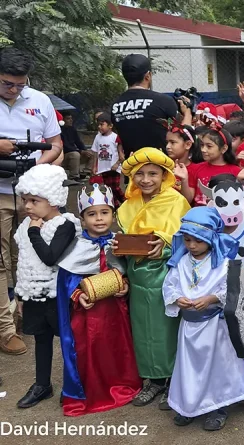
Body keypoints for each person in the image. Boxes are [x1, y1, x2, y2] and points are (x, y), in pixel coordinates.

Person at [113, 148, 191, 409]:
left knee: (167, 329)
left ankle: (174, 380)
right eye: (140, 175)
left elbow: (189, 239)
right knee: (143, 329)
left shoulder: (177, 201)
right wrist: (117, 249)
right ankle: (154, 380)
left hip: (167, 274)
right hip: (136, 275)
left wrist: (166, 244)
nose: (146, 180)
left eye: (153, 174)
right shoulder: (127, 206)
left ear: (165, 176)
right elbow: (124, 237)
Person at [164, 207, 244, 430]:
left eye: (197, 241)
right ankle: (188, 406)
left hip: (214, 326)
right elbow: (170, 285)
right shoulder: (182, 262)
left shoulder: (222, 264)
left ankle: (218, 407)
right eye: (187, 240)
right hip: (189, 326)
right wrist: (178, 299)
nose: (191, 245)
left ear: (211, 239)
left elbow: (232, 289)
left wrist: (212, 298)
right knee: (189, 367)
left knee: (216, 367)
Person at [0, 47, 64, 355]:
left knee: (27, 254)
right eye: (6, 84)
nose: (13, 90)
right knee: (0, 260)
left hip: (33, 193)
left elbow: (55, 144)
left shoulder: (40, 101)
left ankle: (23, 313)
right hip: (0, 192)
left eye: (19, 84)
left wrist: (41, 164)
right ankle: (5, 329)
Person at [57, 184, 141, 416]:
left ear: (113, 215)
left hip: (116, 310)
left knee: (117, 348)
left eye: (104, 213)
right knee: (90, 351)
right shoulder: (76, 247)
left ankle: (122, 384)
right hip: (89, 315)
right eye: (92, 214)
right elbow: (68, 280)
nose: (99, 219)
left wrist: (125, 286)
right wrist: (79, 295)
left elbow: (130, 272)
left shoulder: (120, 242)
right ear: (83, 219)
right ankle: (92, 391)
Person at [13, 165, 81, 408]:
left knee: (67, 340)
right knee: (41, 340)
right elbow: (24, 262)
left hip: (57, 294)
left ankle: (73, 385)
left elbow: (50, 257)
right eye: (24, 200)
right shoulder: (26, 225)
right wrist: (20, 295)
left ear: (52, 200)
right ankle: (42, 384)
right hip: (34, 294)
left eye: (34, 200)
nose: (27, 206)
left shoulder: (65, 224)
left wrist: (34, 232)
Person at [111, 54, 188, 155]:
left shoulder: (115, 106)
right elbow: (182, 132)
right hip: (161, 165)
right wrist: (188, 113)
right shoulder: (163, 101)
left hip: (133, 165)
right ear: (148, 76)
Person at [175, 124, 241, 206]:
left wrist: (240, 179)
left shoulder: (236, 171)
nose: (203, 150)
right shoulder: (196, 168)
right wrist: (184, 180)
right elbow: (188, 200)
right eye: (202, 145)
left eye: (209, 146)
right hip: (199, 215)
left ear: (224, 149)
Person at [89, 112, 126, 206]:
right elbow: (95, 152)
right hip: (103, 168)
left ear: (110, 126)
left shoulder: (115, 137)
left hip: (113, 167)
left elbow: (121, 153)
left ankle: (126, 202)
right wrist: (94, 166)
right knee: (108, 189)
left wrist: (117, 164)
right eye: (98, 124)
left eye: (102, 124)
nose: (99, 127)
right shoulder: (97, 137)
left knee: (115, 188)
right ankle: (115, 206)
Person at [59, 112, 87, 180]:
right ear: (63, 120)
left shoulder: (72, 129)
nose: (71, 120)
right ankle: (74, 177)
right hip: (64, 155)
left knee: (91, 153)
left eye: (71, 118)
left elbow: (78, 142)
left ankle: (85, 173)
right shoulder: (59, 130)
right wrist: (79, 151)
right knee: (75, 154)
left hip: (73, 151)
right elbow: (66, 147)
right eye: (68, 119)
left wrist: (84, 150)